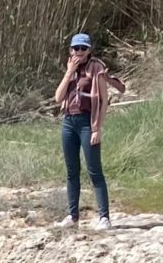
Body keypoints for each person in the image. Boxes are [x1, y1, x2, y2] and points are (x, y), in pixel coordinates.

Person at [53, 33, 125, 227]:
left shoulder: (96, 69)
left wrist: (97, 128)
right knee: (72, 171)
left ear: (89, 50)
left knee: (94, 170)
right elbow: (58, 98)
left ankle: (104, 217)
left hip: (87, 122)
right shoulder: (71, 70)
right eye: (76, 48)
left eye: (83, 49)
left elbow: (102, 101)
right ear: (71, 50)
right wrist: (69, 72)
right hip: (69, 121)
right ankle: (72, 215)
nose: (80, 52)